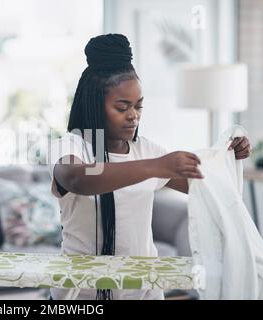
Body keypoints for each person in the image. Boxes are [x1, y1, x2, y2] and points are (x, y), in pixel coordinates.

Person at [48, 34, 251, 300]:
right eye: (122, 107)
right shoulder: (70, 146)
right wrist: (157, 167)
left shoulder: (146, 149)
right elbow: (78, 180)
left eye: (138, 106)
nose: (133, 115)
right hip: (79, 294)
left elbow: (204, 185)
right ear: (95, 105)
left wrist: (228, 158)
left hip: (144, 291)